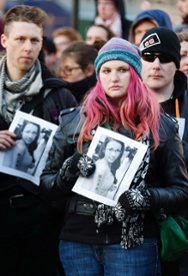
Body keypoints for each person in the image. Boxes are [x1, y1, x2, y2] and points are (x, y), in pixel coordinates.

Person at [40, 37, 188, 275]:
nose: (114, 78)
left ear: (135, 74)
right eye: (106, 70)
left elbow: (180, 190)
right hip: (78, 240)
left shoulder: (162, 126)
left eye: (122, 70)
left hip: (134, 243)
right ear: (98, 75)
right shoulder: (73, 120)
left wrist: (145, 198)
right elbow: (46, 184)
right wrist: (69, 171)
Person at [0, 5, 77, 275]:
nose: (28, 47)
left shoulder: (59, 94)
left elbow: (75, 153)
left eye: (34, 40)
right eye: (20, 39)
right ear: (4, 41)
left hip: (43, 214)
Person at [141, 27, 188, 276]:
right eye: (149, 57)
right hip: (138, 227)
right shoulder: (124, 106)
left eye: (165, 57)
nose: (156, 65)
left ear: (177, 64)